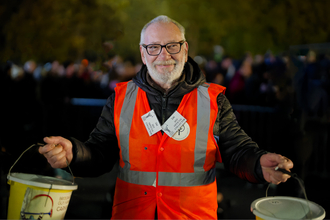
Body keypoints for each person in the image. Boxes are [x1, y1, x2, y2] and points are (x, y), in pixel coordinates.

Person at [39, 15, 293, 219]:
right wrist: (75, 153)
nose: (163, 54)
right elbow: (100, 151)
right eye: (153, 47)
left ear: (185, 49)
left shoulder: (213, 100)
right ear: (142, 53)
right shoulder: (120, 97)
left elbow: (237, 150)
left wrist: (258, 163)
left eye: (172, 45)